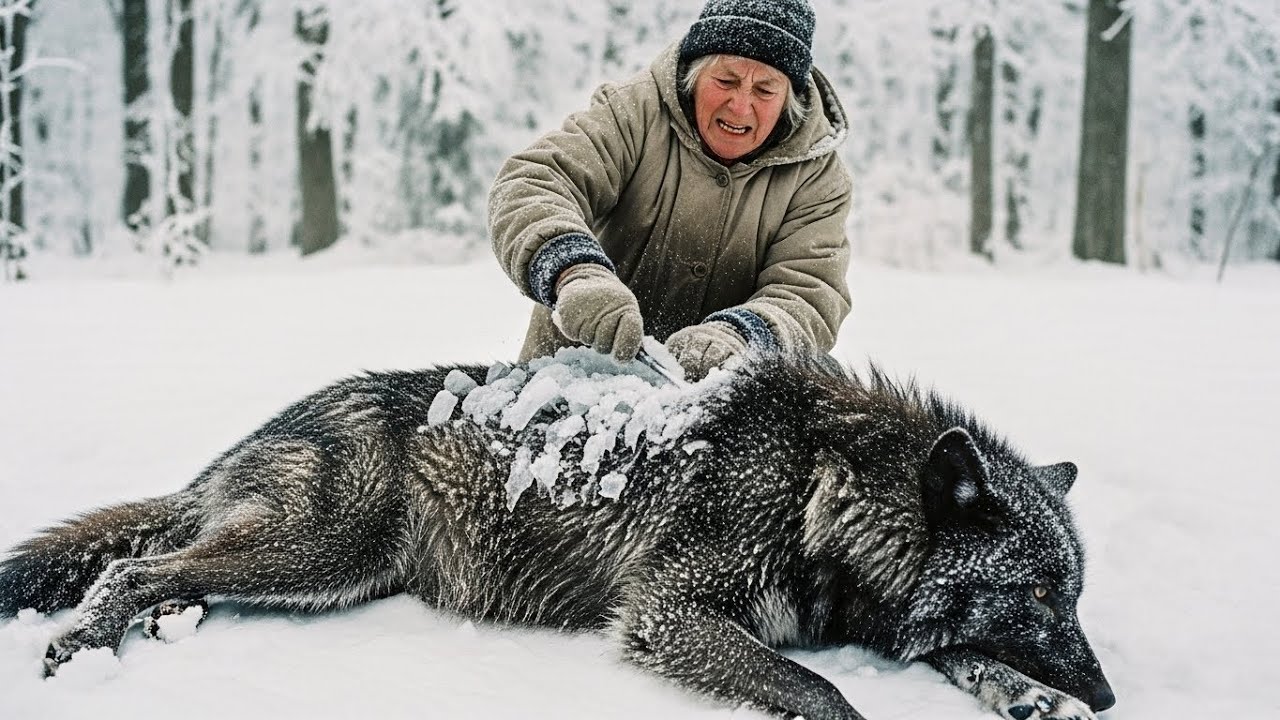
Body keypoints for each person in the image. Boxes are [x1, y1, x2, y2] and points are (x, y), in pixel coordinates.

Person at [488, 0, 851, 380]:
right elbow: (534, 181)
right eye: (726, 81)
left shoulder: (818, 177)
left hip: (716, 401)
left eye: (764, 90)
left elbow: (810, 290)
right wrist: (573, 272)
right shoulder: (634, 111)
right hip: (569, 383)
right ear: (695, 73)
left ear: (789, 99)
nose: (741, 107)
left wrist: (743, 336)